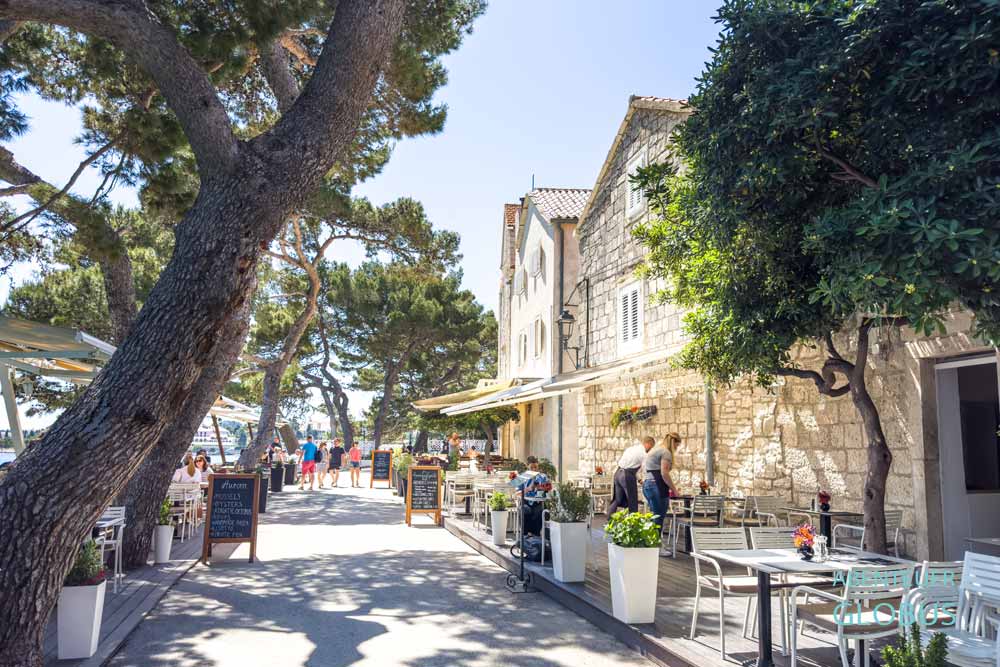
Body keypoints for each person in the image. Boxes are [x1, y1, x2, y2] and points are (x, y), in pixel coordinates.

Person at [642, 434, 679, 555]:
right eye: (677, 445)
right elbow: (664, 473)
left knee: (654, 516)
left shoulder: (655, 449)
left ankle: (651, 543)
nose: (677, 448)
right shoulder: (666, 452)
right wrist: (674, 489)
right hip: (656, 485)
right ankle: (656, 547)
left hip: (648, 484)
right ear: (674, 443)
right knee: (659, 517)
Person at [608, 438, 653, 515]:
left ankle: (608, 522)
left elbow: (630, 466)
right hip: (627, 476)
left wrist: (639, 480)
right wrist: (647, 480)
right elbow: (645, 469)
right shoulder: (643, 454)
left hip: (618, 473)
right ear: (648, 444)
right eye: (651, 447)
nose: (650, 449)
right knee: (632, 501)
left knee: (617, 499)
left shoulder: (630, 449)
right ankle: (633, 525)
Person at [520, 456, 550, 535]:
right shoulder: (523, 476)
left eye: (535, 467)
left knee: (539, 512)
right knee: (525, 511)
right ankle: (525, 536)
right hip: (526, 502)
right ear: (527, 466)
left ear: (538, 466)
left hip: (539, 502)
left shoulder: (543, 476)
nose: (534, 469)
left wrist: (541, 488)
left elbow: (548, 489)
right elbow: (516, 493)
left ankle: (535, 536)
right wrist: (528, 489)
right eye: (531, 467)